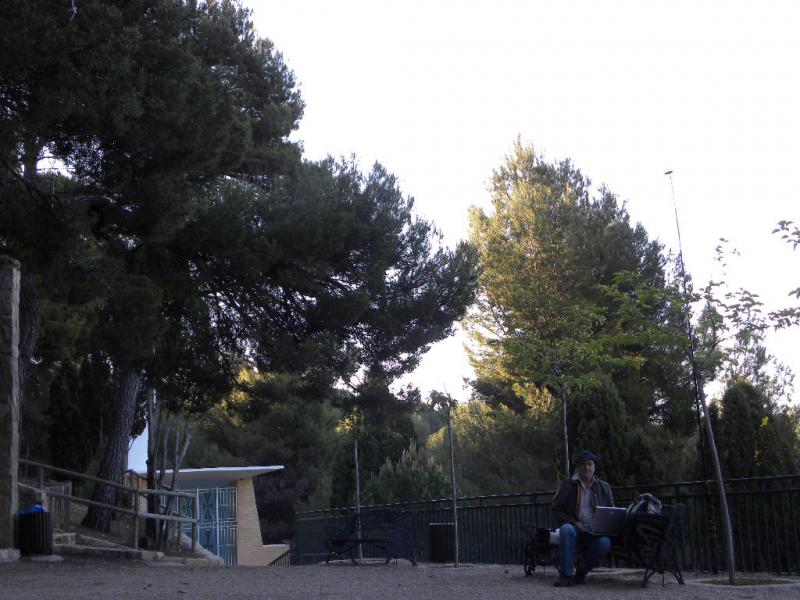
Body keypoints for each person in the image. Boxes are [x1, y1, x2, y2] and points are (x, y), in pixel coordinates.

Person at [550, 450, 614, 587]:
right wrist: (574, 522)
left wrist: (602, 527)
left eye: (590, 464)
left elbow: (611, 512)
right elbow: (556, 509)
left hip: (595, 532)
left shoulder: (604, 487)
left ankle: (580, 573)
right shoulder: (567, 485)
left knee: (605, 543)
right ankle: (566, 575)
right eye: (583, 464)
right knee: (566, 529)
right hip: (575, 528)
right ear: (578, 467)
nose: (587, 467)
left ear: (594, 467)